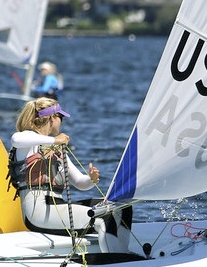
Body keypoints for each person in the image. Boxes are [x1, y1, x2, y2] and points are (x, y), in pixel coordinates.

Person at [8, 97, 132, 253]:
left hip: (57, 208)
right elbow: (16, 138)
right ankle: (117, 259)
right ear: (52, 118)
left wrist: (91, 179)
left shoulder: (56, 148)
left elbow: (80, 183)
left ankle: (123, 254)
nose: (62, 123)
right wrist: (54, 140)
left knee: (122, 206)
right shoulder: (27, 142)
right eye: (61, 118)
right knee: (104, 216)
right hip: (38, 213)